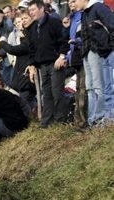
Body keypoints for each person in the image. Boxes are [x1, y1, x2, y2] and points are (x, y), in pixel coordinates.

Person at [26, 0, 69, 128]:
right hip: (42, 66)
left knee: (57, 93)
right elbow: (31, 48)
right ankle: (47, 121)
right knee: (47, 94)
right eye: (29, 11)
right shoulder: (32, 28)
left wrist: (61, 56)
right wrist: (32, 64)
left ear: (41, 9)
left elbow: (64, 40)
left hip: (55, 63)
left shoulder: (54, 22)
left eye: (33, 10)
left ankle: (60, 120)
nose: (31, 13)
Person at [76, 0, 114, 125]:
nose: (73, 4)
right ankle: (108, 118)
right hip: (103, 53)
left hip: (109, 52)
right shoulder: (85, 13)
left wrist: (111, 46)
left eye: (74, 0)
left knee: (106, 86)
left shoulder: (98, 8)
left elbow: (112, 24)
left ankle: (105, 117)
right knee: (107, 87)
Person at [66, 0, 87, 129]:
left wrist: (76, 42)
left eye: (73, 1)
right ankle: (78, 121)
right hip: (75, 57)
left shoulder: (82, 16)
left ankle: (83, 122)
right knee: (78, 89)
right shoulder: (72, 18)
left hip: (83, 55)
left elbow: (82, 36)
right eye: (69, 2)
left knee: (83, 89)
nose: (70, 4)